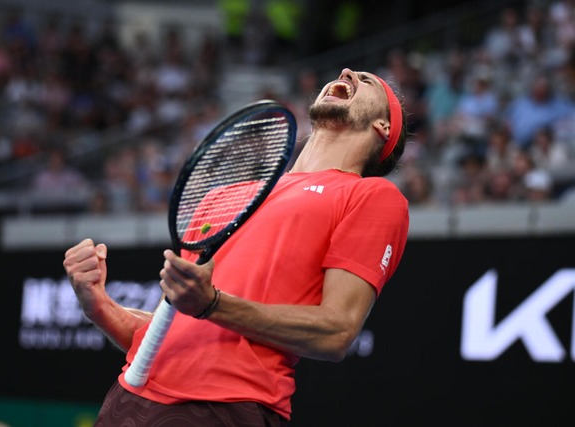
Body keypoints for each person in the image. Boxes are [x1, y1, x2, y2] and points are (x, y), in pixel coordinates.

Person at [63, 68, 410, 425]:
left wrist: (212, 304)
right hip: (128, 400)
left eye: (367, 81)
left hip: (225, 406)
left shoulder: (372, 196)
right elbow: (173, 326)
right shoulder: (226, 198)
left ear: (383, 127)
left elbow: (337, 331)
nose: (346, 72)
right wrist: (99, 306)